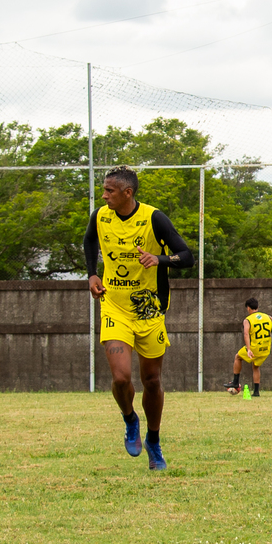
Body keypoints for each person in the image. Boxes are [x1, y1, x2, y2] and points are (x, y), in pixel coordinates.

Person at [83, 164, 195, 471]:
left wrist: (159, 259)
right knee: (121, 377)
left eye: (109, 191)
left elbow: (187, 257)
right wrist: (92, 273)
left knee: (152, 381)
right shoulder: (100, 216)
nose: (104, 196)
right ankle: (130, 418)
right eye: (104, 190)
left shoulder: (154, 218)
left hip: (149, 309)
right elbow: (89, 240)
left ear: (127, 193)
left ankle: (153, 440)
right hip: (114, 306)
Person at [223, 298, 272, 398]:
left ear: (248, 308)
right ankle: (256, 392)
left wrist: (249, 349)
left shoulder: (248, 320)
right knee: (255, 366)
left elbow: (246, 334)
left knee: (238, 357)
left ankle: (235, 382)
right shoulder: (267, 317)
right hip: (265, 348)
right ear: (257, 307)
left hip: (255, 347)